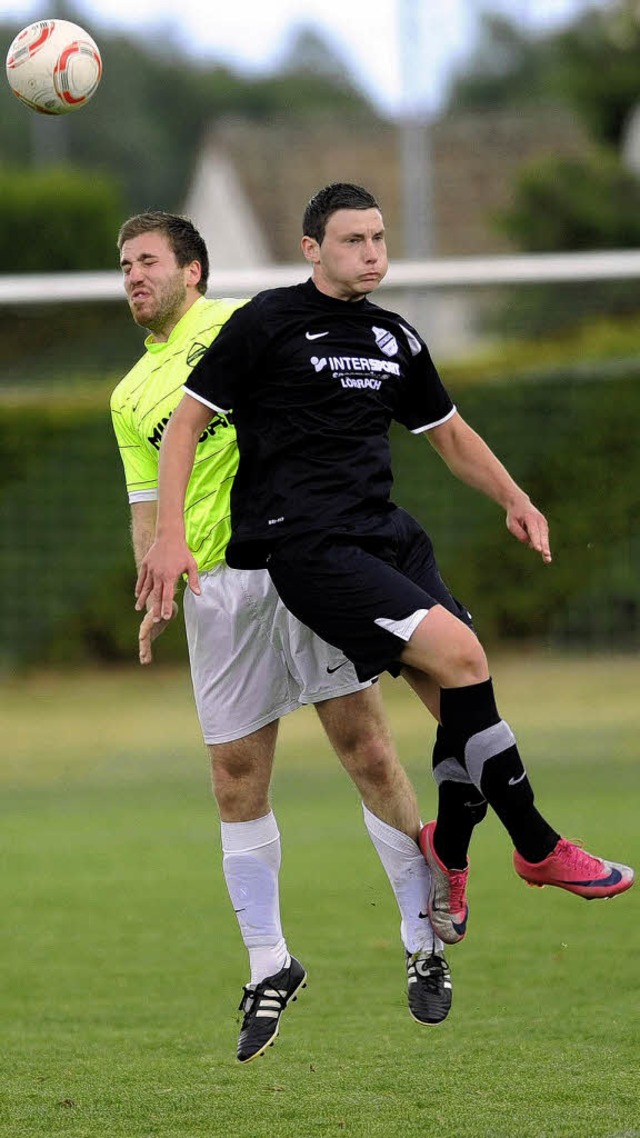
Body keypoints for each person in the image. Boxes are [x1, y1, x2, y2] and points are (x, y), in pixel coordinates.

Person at [136, 184, 634, 956]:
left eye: (377, 238)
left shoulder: (394, 337)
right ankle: (536, 846)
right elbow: (188, 425)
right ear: (312, 249)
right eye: (352, 241)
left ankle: (452, 856)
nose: (372, 253)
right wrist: (170, 534)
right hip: (308, 549)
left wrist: (514, 496)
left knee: (466, 703)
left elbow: (451, 433)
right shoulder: (266, 321)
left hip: (389, 538)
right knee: (464, 659)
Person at [110, 211, 454, 1066]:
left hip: (303, 558)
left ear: (194, 271)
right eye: (123, 267)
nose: (131, 278)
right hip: (217, 594)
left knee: (368, 750)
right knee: (234, 776)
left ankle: (423, 942)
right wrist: (153, 580)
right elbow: (148, 509)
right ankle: (271, 962)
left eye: (146, 261)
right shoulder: (128, 396)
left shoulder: (250, 323)